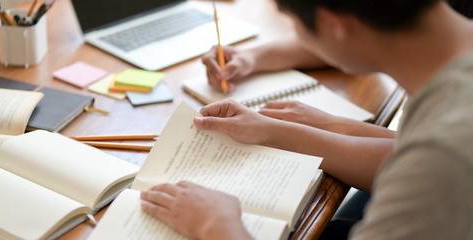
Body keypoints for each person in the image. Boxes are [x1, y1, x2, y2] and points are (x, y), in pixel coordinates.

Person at [140, 0, 473, 239]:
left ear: (333, 24)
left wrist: (215, 227)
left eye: (293, 21)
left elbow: (431, 159)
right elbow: (412, 151)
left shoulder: (442, 154)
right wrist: (325, 127)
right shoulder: (449, 79)